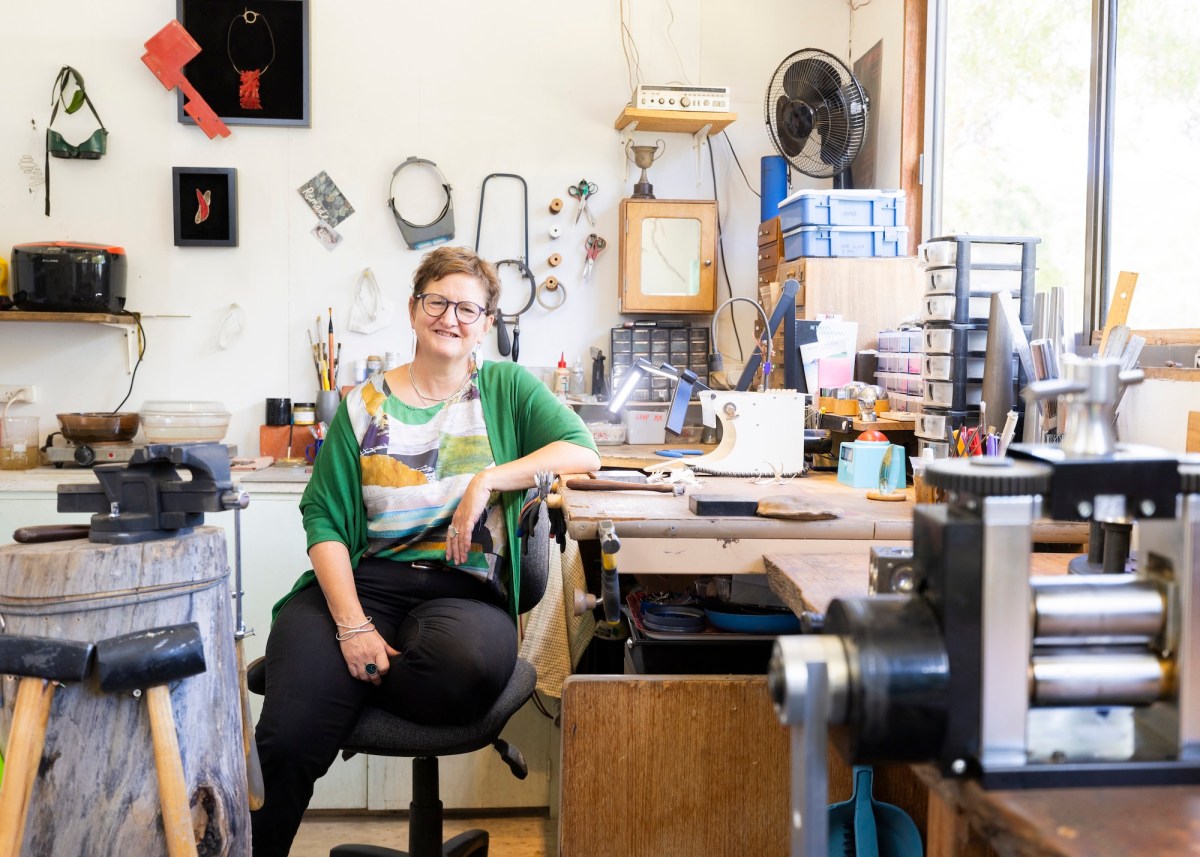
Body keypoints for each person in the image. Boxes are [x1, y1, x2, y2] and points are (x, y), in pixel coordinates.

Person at [251, 246, 600, 855]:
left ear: (487, 324)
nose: (451, 317)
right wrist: (351, 626)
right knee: (285, 739)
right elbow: (324, 518)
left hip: (463, 591)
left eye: (469, 308)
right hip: (366, 585)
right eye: (437, 301)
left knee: (461, 672)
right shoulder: (363, 405)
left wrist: (485, 480)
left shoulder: (506, 387)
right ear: (414, 310)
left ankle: (326, 689)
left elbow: (582, 451)